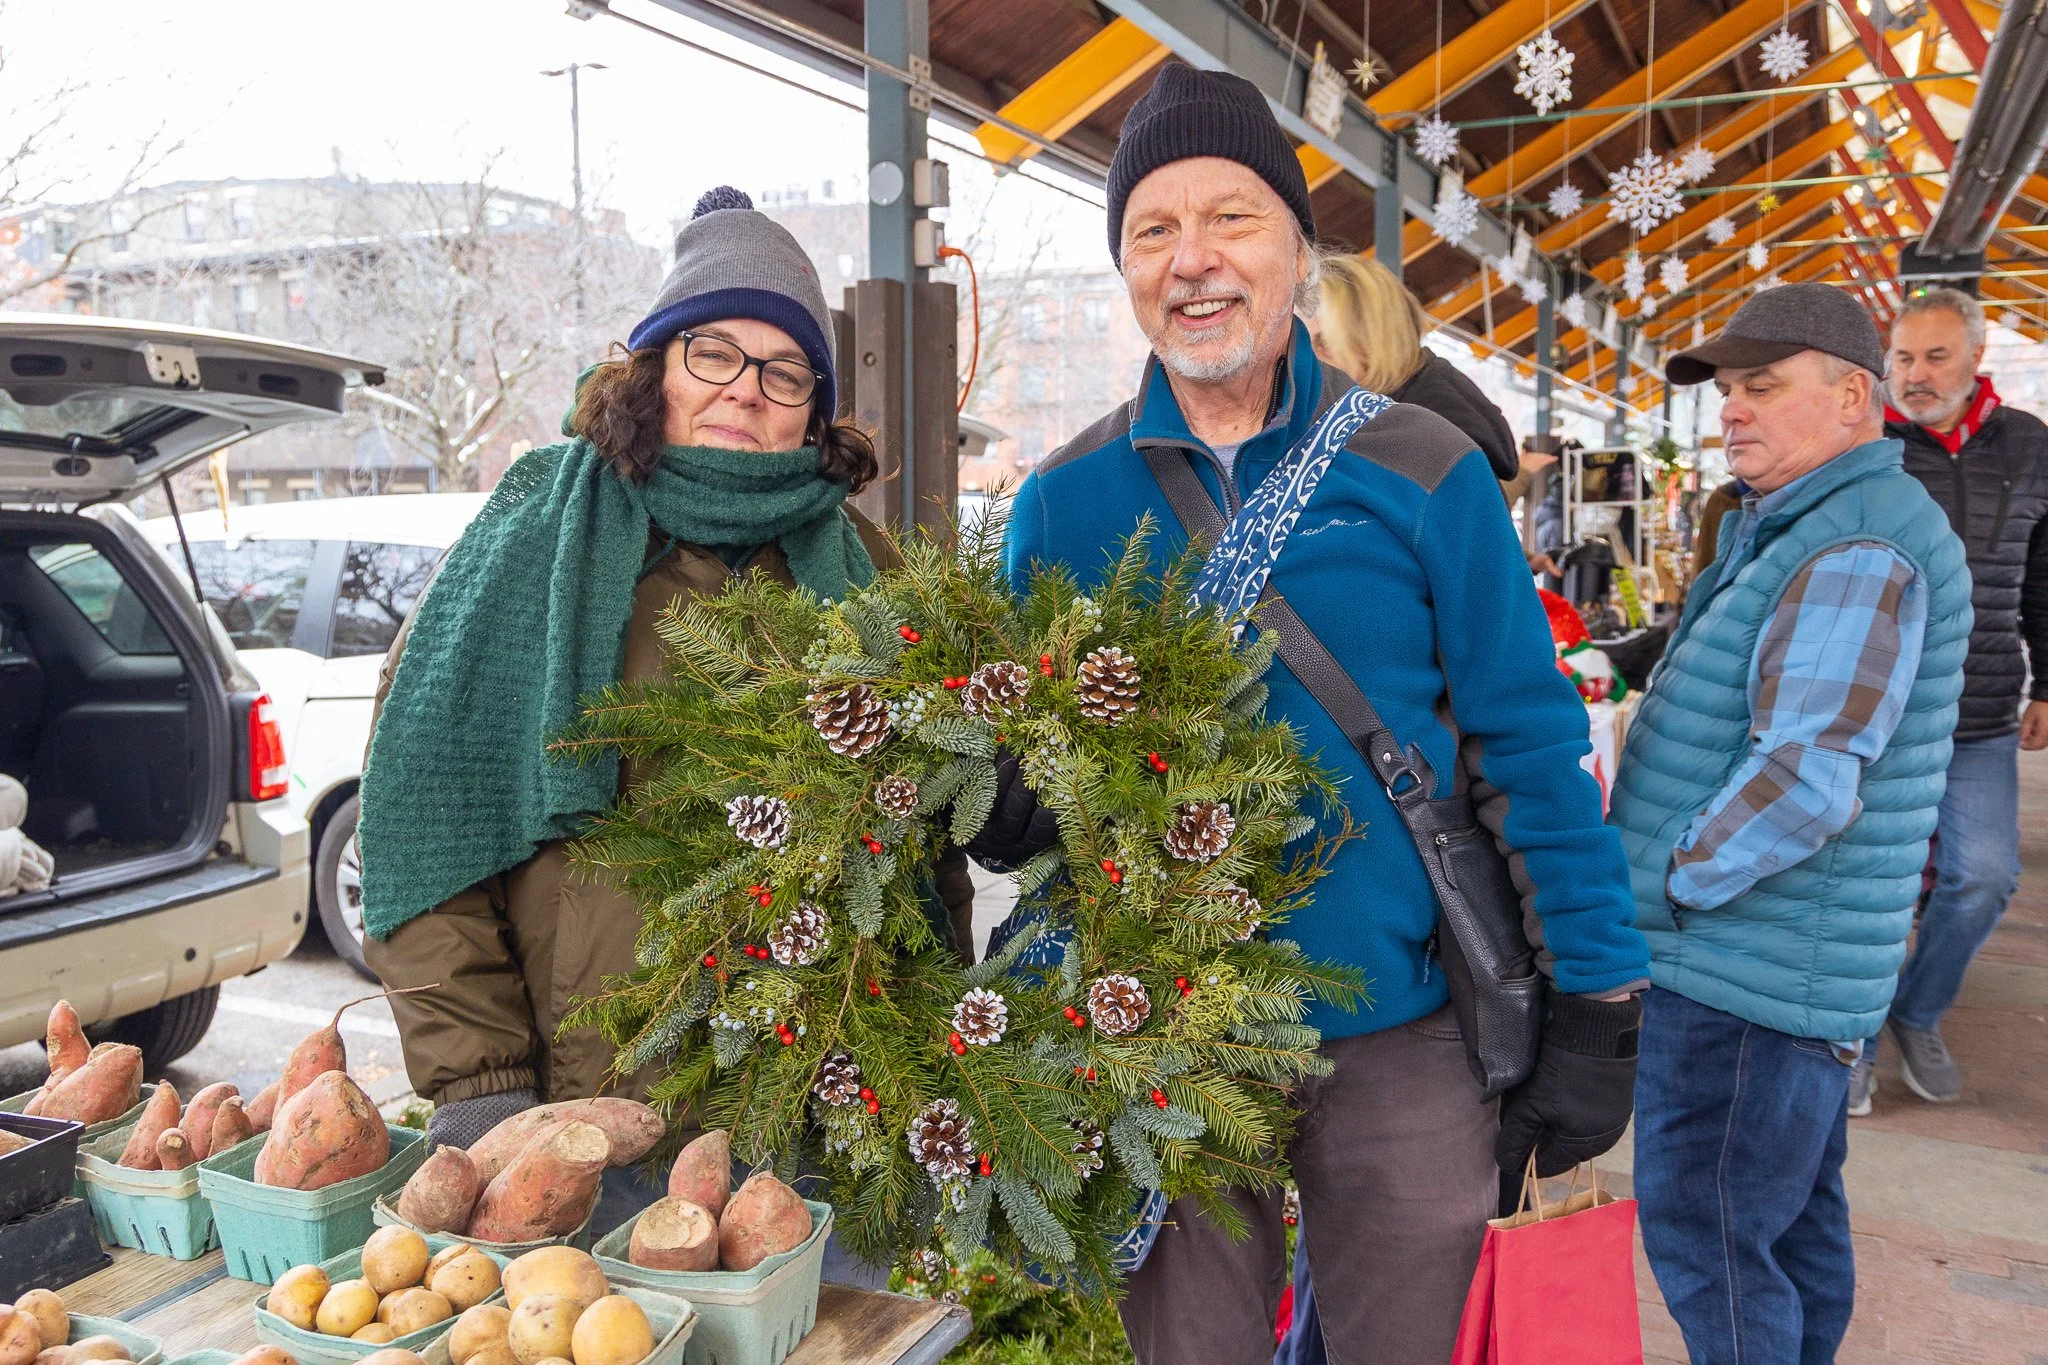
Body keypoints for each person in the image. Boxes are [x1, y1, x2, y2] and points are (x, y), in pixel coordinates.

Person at [970, 66, 1651, 1364]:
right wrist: (1003, 823)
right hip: (1165, 1038)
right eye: (1152, 232)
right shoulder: (1062, 504)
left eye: (1231, 218)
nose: (1193, 260)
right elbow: (1035, 774)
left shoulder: (1424, 469)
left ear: (1295, 251)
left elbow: (1530, 747)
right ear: (1125, 273)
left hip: (1401, 1031)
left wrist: (1600, 993)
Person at [355, 187, 974, 1202]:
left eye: (782, 371)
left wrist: (933, 1026)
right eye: (712, 353)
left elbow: (923, 832)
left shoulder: (863, 568)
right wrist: (483, 1088)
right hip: (586, 1124)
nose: (744, 390)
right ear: (653, 368)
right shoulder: (533, 540)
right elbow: (423, 821)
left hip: (822, 1112)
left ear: (813, 411)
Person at [1610, 283, 1972, 1365]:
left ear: (1853, 397)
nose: (1730, 411)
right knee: (1785, 1226)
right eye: (1726, 390)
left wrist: (1668, 881)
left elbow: (1805, 780)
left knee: (1709, 1233)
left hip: (1742, 973)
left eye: (1760, 387)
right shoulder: (1805, 523)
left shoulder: (1853, 546)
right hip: (1778, 974)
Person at [1855, 286, 2048, 1112]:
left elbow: (2044, 573)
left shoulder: (2031, 447)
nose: (1914, 374)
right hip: (1876, 710)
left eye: (1936, 357)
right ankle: (1854, 1035)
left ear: (1977, 362)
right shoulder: (1867, 442)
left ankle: (1916, 1010)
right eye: (1902, 357)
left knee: (1983, 876)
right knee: (1870, 882)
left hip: (1981, 710)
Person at [1309, 253, 1563, 582]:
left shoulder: (1419, 431)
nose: (1309, 361)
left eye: (1324, 343)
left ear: (1372, 339)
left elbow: (1467, 570)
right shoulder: (1416, 406)